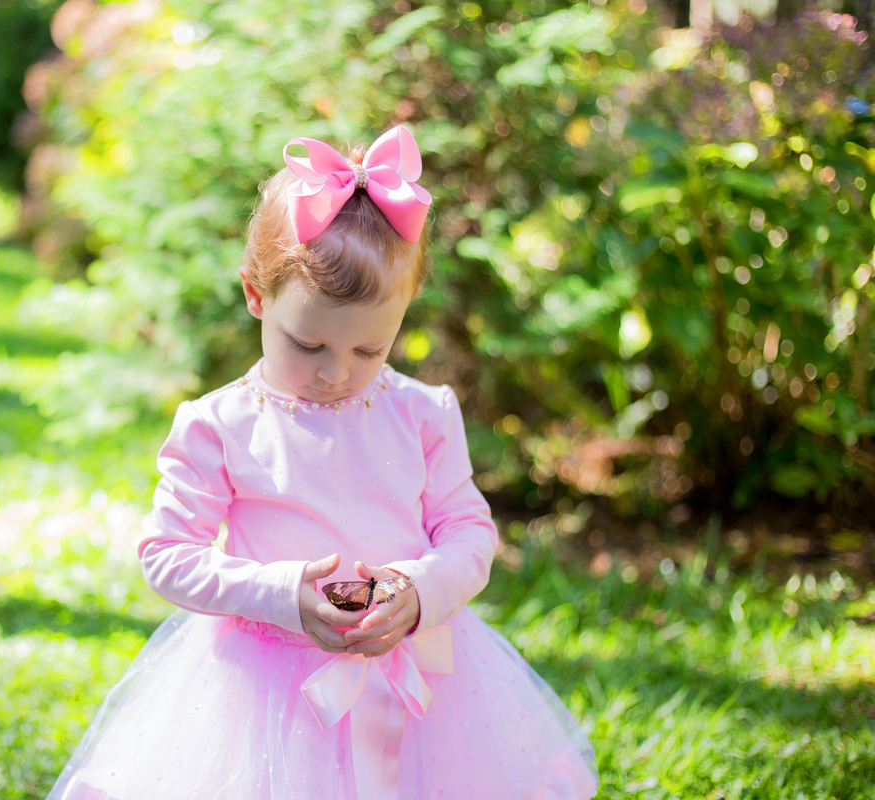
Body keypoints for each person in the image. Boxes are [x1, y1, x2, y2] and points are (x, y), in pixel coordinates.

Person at [45, 126, 598, 800]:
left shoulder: (423, 414)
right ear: (256, 296)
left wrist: (420, 590)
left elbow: (469, 532)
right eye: (307, 343)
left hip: (419, 681)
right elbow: (167, 553)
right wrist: (279, 594)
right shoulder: (220, 425)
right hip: (262, 691)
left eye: (369, 350)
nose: (337, 372)